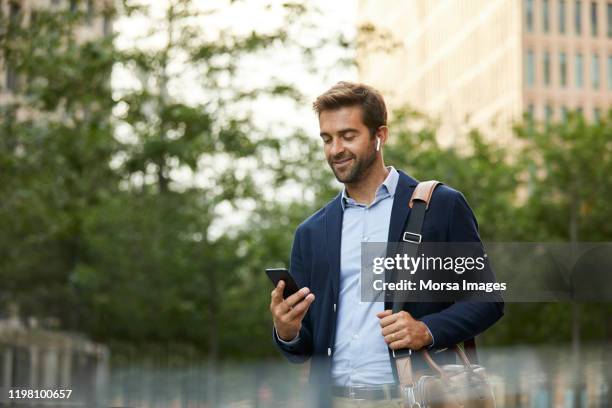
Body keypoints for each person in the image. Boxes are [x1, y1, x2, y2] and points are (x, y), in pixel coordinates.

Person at [269, 81, 504, 407]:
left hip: (415, 399)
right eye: (327, 138)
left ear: (380, 136)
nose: (335, 149)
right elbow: (302, 348)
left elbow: (488, 301)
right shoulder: (311, 232)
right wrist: (287, 330)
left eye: (348, 136)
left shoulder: (441, 207)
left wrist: (426, 329)